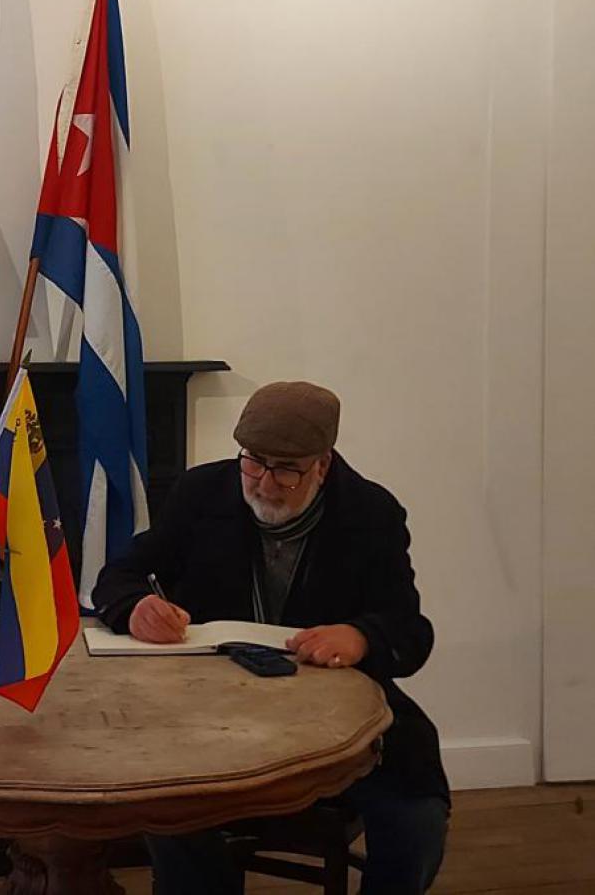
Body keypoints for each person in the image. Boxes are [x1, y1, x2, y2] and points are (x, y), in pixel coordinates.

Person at [92, 381, 450, 895]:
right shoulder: (202, 493)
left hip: (334, 718)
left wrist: (361, 636)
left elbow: (410, 631)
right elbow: (120, 574)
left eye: (286, 469)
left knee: (417, 818)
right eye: (253, 462)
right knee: (169, 805)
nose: (264, 483)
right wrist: (135, 607)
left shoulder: (370, 514)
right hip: (210, 712)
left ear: (322, 465)